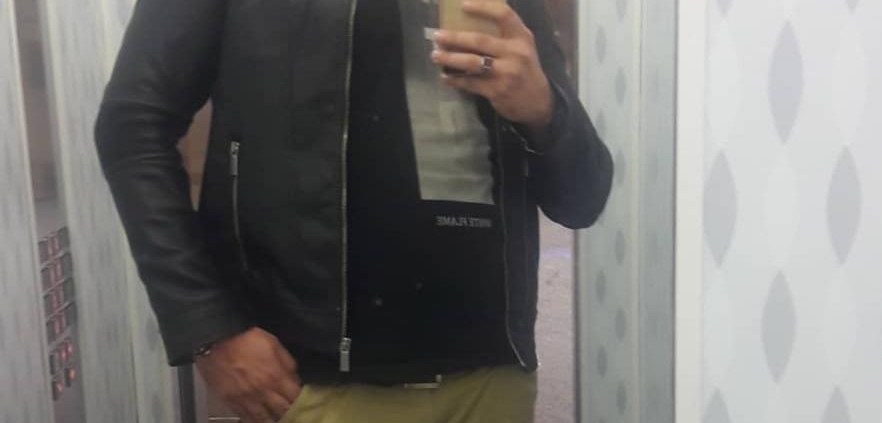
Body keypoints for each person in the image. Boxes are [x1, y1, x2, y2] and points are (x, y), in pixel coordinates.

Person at [94, 0, 612, 421]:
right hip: (312, 384)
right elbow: (133, 126)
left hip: (491, 383)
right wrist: (208, 328)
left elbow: (582, 199)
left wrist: (542, 111)